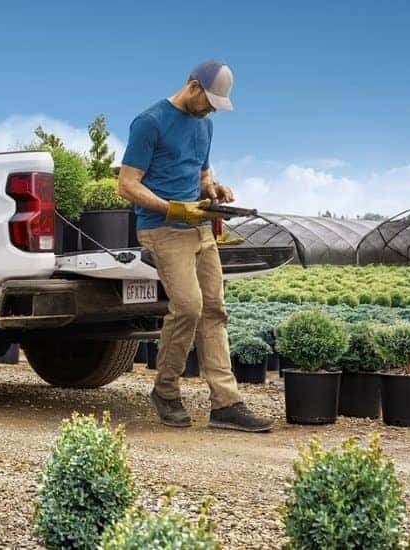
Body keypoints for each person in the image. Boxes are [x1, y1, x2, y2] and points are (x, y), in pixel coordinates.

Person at [117, 60, 274, 432]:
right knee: (188, 307)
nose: (210, 109)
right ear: (192, 86)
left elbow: (202, 172)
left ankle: (226, 403)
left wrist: (213, 189)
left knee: (214, 310)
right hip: (162, 229)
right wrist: (172, 208)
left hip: (201, 228)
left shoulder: (205, 125)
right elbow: (127, 185)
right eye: (209, 100)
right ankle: (166, 391)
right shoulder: (150, 122)